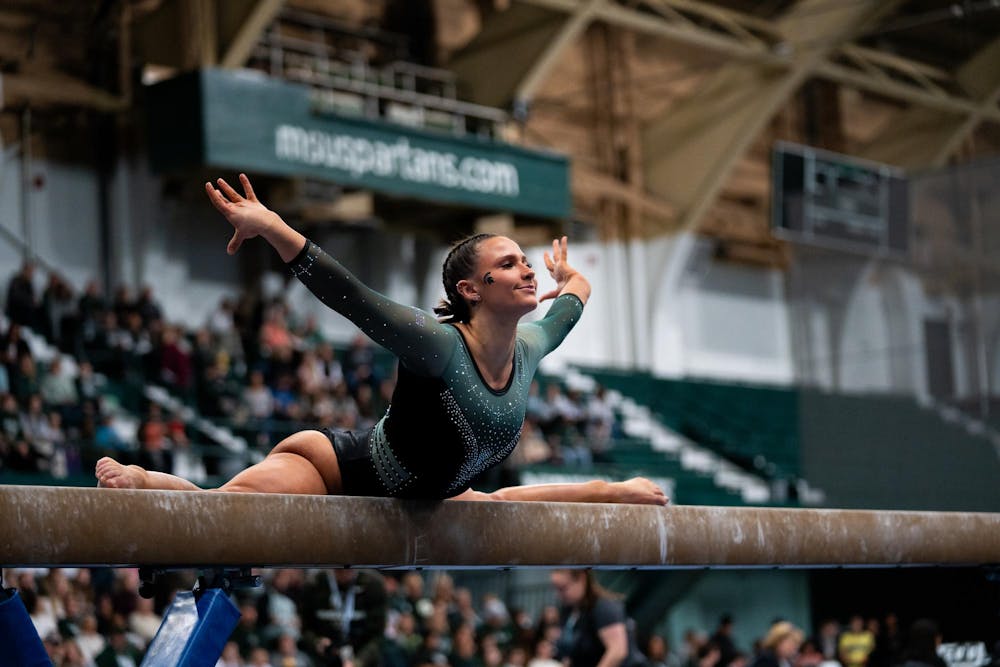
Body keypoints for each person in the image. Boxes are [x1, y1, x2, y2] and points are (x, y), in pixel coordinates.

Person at [95, 173, 667, 507]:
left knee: (491, 505)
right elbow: (350, 294)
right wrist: (272, 228)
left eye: (528, 262)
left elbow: (579, 293)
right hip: (336, 471)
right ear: (471, 289)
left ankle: (610, 488)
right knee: (224, 515)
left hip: (436, 503)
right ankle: (147, 481)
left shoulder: (532, 346)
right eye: (510, 263)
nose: (528, 271)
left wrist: (569, 279)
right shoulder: (438, 346)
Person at [550, 569, 643, 667]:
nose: (559, 595)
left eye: (563, 588)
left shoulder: (604, 607)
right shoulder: (568, 611)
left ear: (581, 579)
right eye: (556, 589)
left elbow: (617, 652)